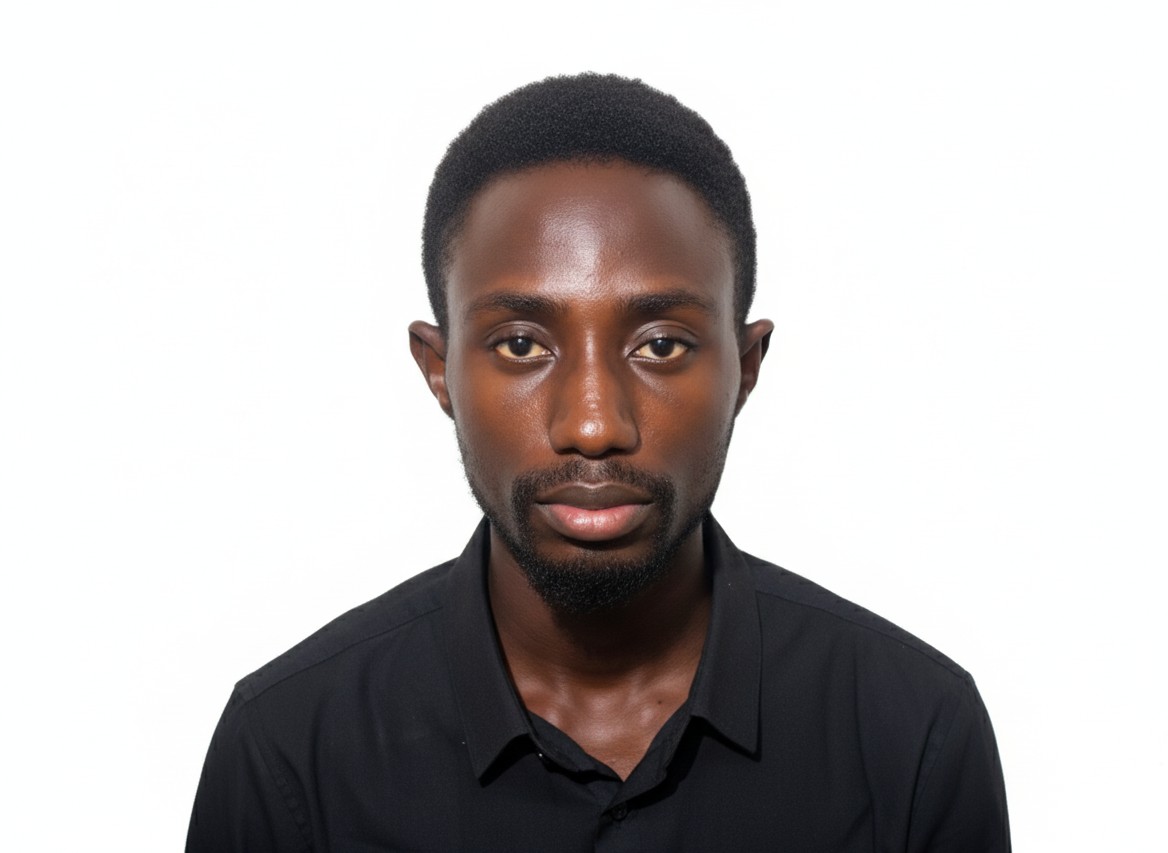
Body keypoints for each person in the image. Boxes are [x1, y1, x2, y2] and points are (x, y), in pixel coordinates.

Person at [186, 73, 1010, 852]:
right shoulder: (288, 753)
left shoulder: (914, 736)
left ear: (745, 367)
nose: (592, 424)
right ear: (439, 371)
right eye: (521, 344)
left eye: (661, 345)